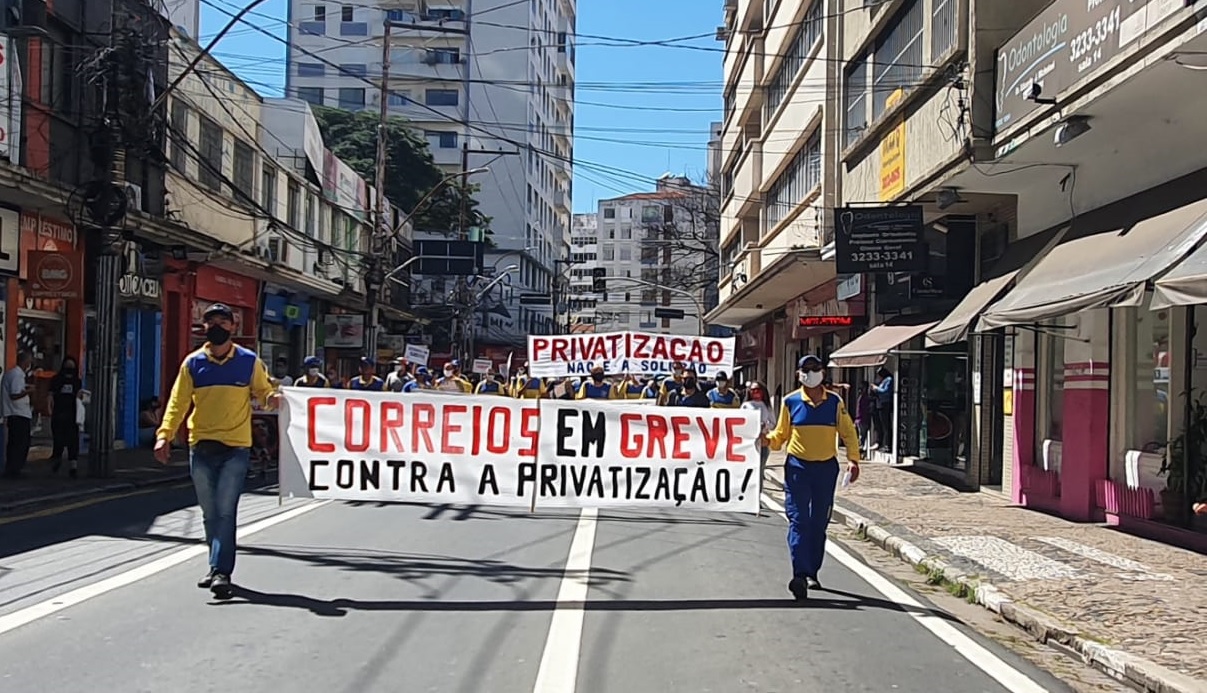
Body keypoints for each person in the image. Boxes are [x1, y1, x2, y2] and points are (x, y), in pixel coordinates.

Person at [154, 303, 279, 599]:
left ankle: (222, 571)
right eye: (212, 322)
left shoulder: (249, 362)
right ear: (204, 328)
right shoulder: (193, 364)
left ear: (233, 327)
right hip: (201, 447)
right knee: (209, 513)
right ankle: (215, 565)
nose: (217, 327)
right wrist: (164, 436)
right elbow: (178, 403)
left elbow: (264, 392)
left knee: (225, 511)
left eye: (223, 321)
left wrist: (274, 398)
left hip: (236, 448)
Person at [766, 354, 860, 601]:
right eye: (805, 369)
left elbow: (848, 432)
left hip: (826, 468)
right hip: (798, 468)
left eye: (814, 368)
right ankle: (799, 574)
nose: (810, 373)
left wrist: (853, 459)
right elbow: (779, 436)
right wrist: (766, 439)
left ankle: (811, 572)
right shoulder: (790, 401)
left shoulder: (835, 402)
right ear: (798, 374)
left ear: (823, 373)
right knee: (799, 520)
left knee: (819, 522)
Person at [47, 356, 84, 478]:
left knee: (73, 441)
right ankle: (57, 460)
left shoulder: (77, 381)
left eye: (72, 367)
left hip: (72, 415)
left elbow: (80, 397)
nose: (69, 369)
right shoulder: (56, 380)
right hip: (58, 414)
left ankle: (73, 466)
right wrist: (49, 409)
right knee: (58, 440)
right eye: (68, 366)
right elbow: (51, 395)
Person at [2, 351, 34, 479]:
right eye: (29, 362)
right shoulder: (16, 375)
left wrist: (26, 387)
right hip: (18, 413)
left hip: (16, 413)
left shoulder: (13, 374)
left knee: (16, 443)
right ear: (25, 362)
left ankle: (13, 468)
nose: (30, 364)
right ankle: (15, 469)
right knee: (20, 443)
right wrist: (29, 391)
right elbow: (14, 394)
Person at [742, 381, 775, 468]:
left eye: (757, 389)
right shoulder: (745, 406)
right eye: (752, 390)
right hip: (748, 440)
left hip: (763, 440)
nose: (755, 392)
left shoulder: (767, 406)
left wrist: (764, 425)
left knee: (761, 466)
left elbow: (773, 423)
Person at [872, 367, 894, 451]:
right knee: (881, 425)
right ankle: (883, 444)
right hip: (880, 404)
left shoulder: (888, 379)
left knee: (886, 426)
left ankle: (888, 445)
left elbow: (885, 391)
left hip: (885, 404)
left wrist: (876, 388)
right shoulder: (884, 380)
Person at [855, 382, 875, 457]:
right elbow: (865, 409)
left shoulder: (861, 398)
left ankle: (860, 452)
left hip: (860, 420)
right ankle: (859, 452)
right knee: (862, 437)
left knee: (862, 437)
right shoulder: (864, 398)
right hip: (862, 420)